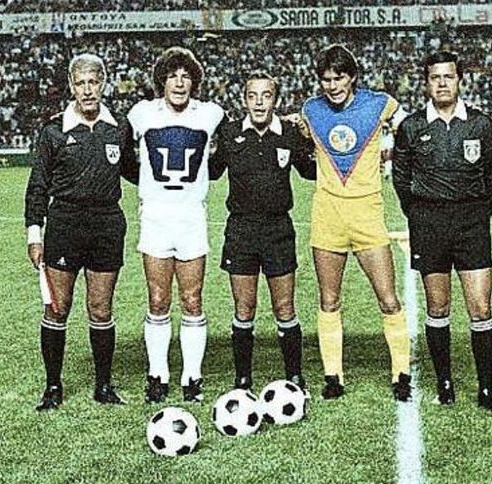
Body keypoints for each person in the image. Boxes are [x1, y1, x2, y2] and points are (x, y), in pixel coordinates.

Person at [295, 44, 412, 401]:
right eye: (326, 79)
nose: (332, 86)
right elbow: (300, 136)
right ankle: (333, 377)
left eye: (339, 78)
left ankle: (401, 374)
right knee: (329, 300)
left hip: (367, 215)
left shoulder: (380, 104)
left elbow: (412, 128)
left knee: (388, 299)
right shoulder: (311, 109)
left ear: (353, 77)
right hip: (327, 216)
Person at [392, 51, 492, 414]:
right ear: (426, 83)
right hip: (429, 225)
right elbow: (401, 178)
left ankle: (486, 388)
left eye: (448, 76)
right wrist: (419, 214)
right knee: (438, 306)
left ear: (459, 81)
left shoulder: (480, 124)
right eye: (435, 77)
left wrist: (478, 212)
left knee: (480, 307)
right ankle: (444, 383)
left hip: (471, 225)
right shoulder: (411, 127)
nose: (442, 83)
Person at [24, 53, 138, 411]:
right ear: (71, 86)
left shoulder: (119, 128)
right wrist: (34, 234)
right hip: (65, 224)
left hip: (107, 225)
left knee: (101, 309)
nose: (87, 90)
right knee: (58, 308)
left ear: (103, 83)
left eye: (93, 82)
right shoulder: (54, 131)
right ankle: (52, 386)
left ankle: (103, 386)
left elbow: (135, 171)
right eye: (80, 83)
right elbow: (38, 185)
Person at [127, 46, 224, 403]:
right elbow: (121, 155)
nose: (179, 83)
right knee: (158, 299)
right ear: (162, 81)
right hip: (155, 217)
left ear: (194, 82)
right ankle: (158, 375)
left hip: (191, 218)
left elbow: (232, 146)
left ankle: (192, 377)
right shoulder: (141, 113)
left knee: (192, 299)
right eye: (172, 76)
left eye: (186, 76)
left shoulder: (211, 114)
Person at [209, 71, 315, 392]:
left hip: (278, 230)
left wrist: (311, 136)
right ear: (244, 100)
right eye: (252, 96)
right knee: (245, 308)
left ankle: (294, 376)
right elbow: (211, 171)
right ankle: (243, 380)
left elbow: (310, 171)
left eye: (266, 96)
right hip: (240, 230)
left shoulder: (288, 134)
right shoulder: (230, 133)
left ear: (276, 100)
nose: (259, 102)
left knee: (284, 307)